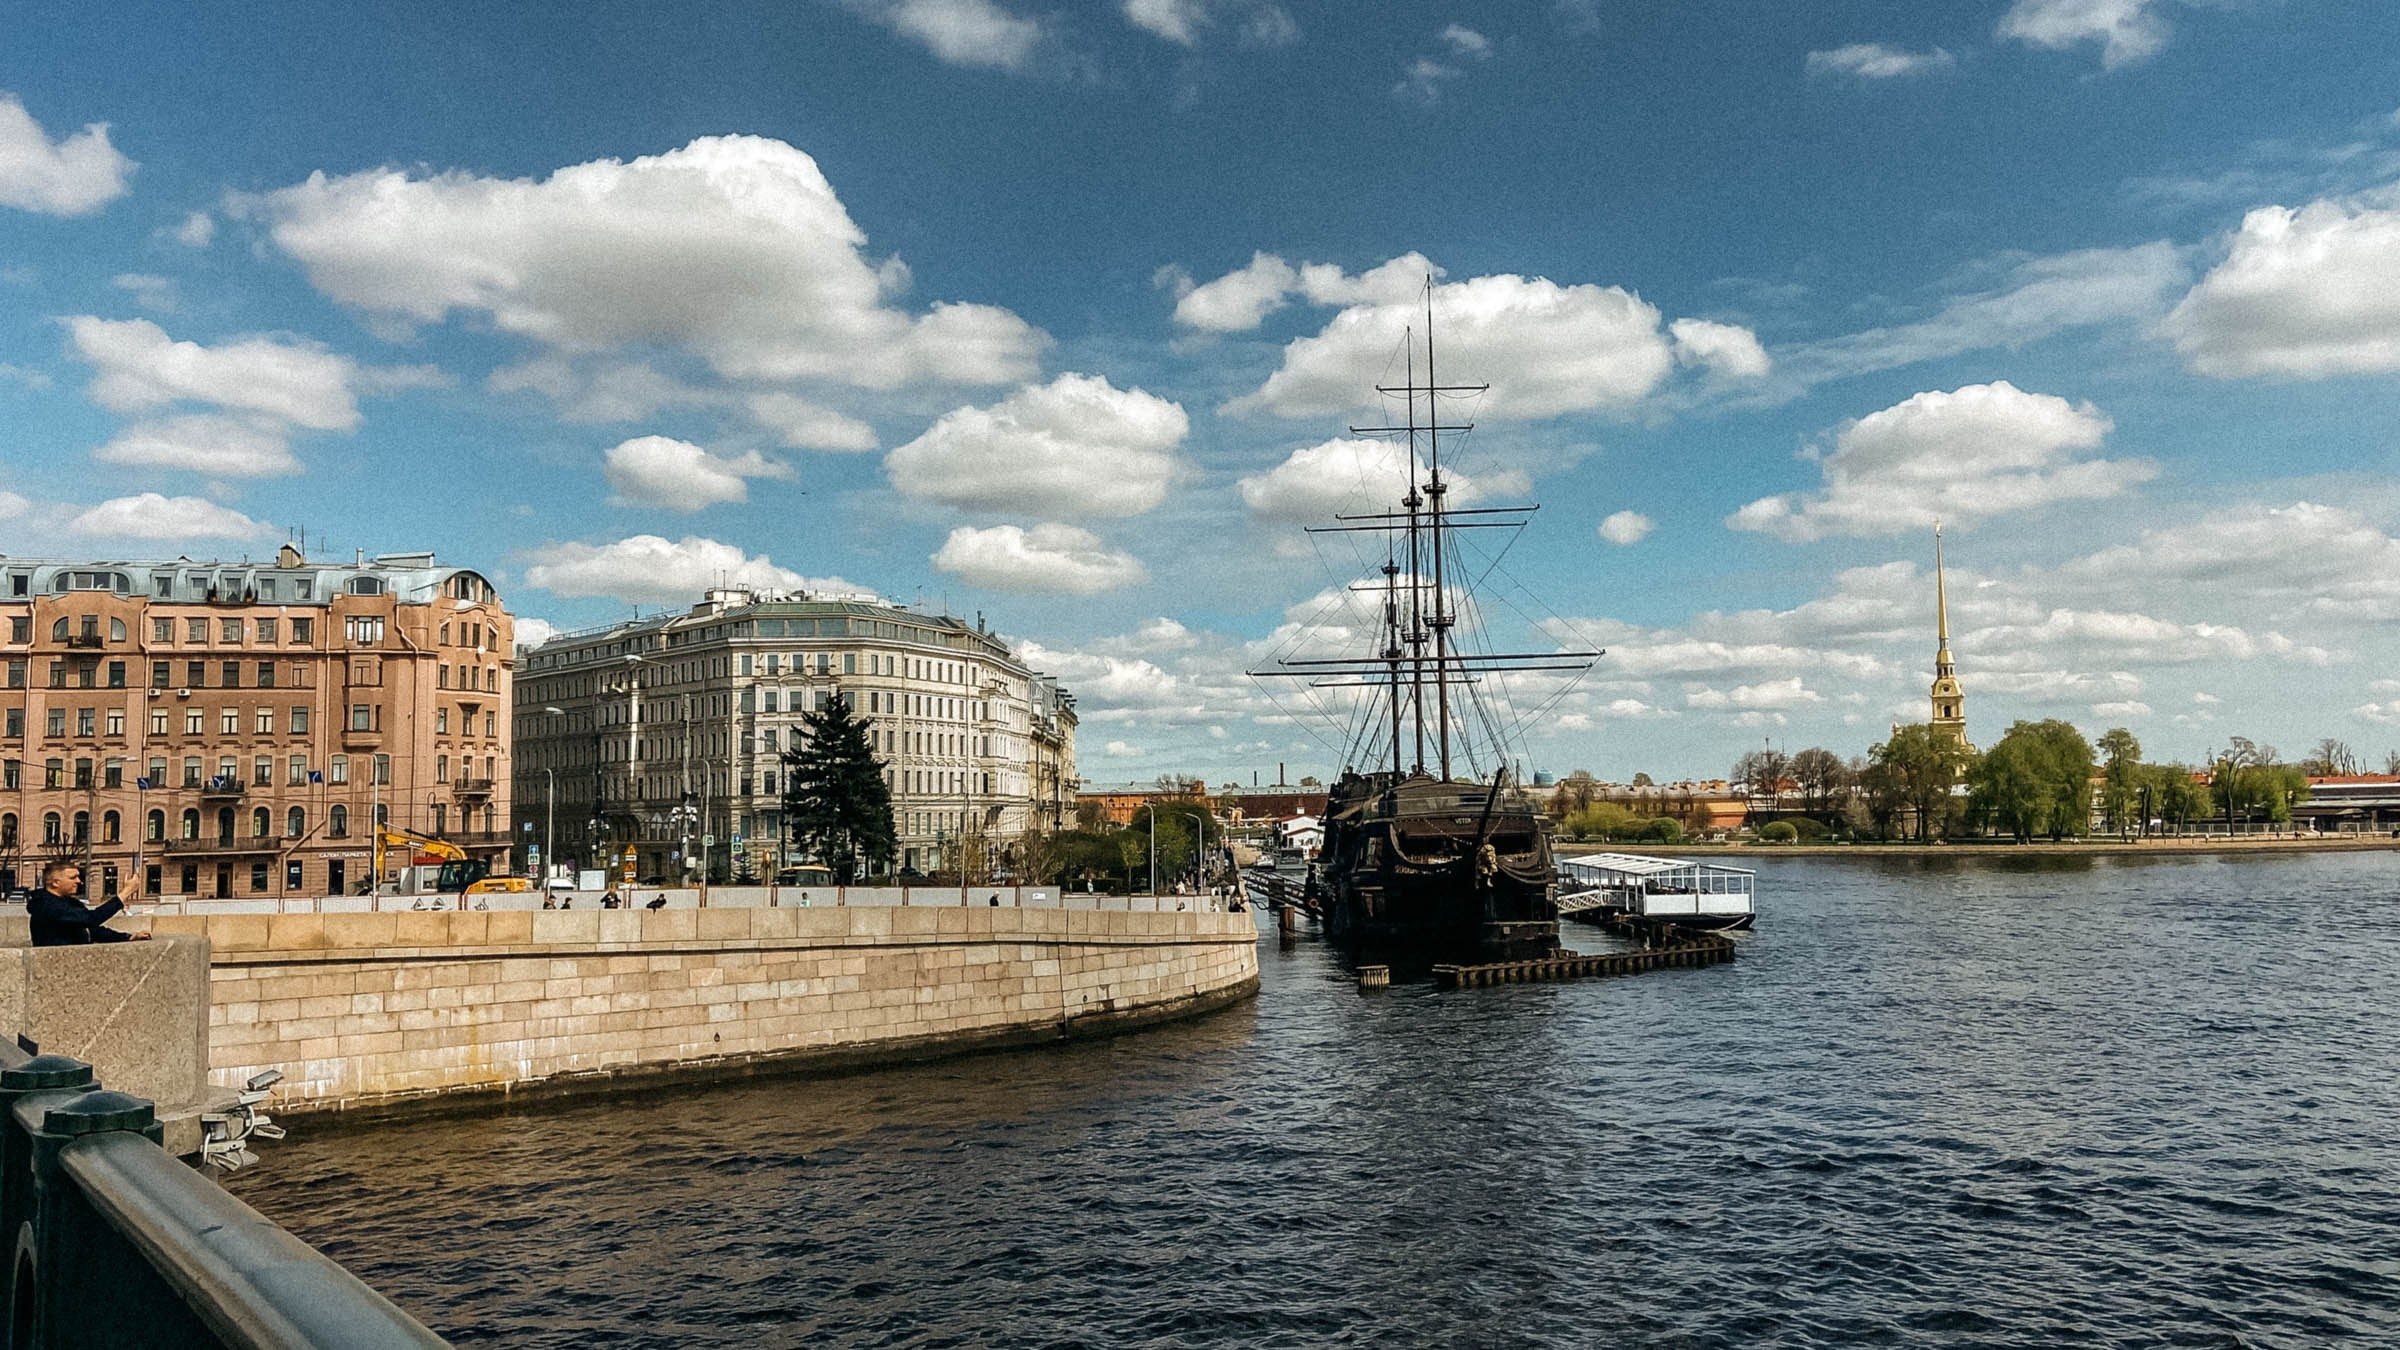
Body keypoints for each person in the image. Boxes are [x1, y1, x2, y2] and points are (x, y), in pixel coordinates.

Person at [27, 862, 149, 946]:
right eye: (73, 877)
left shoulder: (70, 902)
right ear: (55, 883)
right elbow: (91, 919)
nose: (79, 881)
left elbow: (92, 930)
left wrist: (128, 937)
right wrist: (125, 893)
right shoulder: (45, 905)